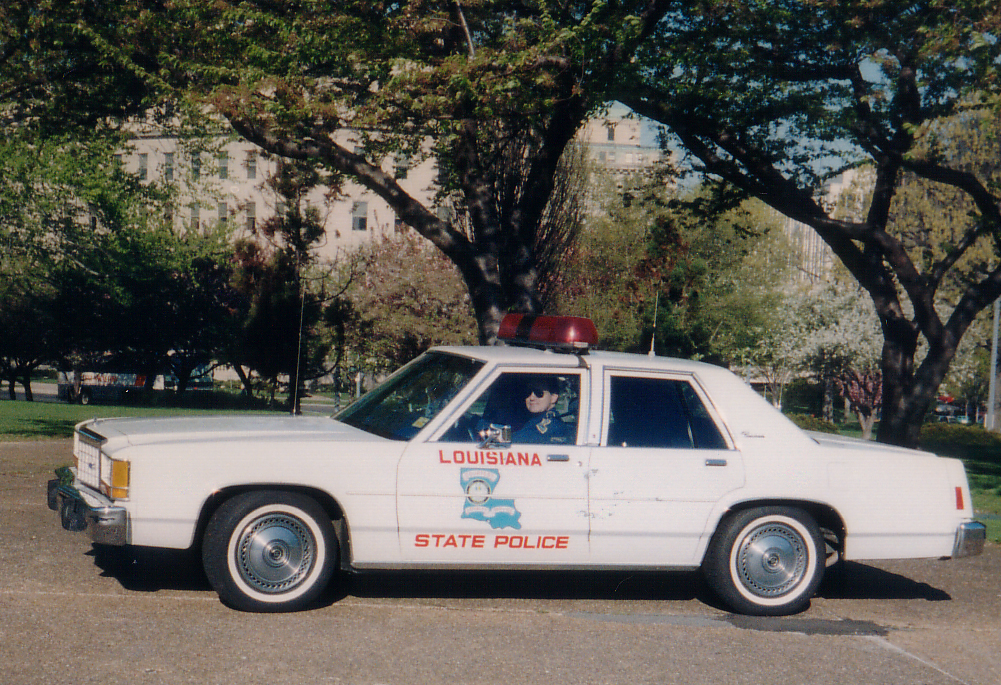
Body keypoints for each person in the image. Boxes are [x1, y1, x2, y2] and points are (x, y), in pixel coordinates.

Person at [511, 376, 570, 444]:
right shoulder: (532, 420)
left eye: (539, 393)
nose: (531, 398)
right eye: (527, 393)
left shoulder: (552, 424)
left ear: (553, 398)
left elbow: (521, 439)